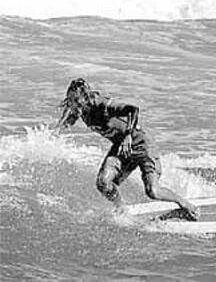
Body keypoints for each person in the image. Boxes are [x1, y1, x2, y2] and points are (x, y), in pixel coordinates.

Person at [55, 78, 199, 219]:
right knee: (103, 183)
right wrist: (56, 131)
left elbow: (133, 109)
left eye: (74, 100)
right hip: (122, 149)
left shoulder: (103, 104)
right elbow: (67, 121)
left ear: (84, 98)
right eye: (69, 99)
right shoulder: (81, 111)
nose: (71, 104)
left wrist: (127, 136)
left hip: (142, 145)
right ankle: (121, 208)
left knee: (153, 191)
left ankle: (185, 205)